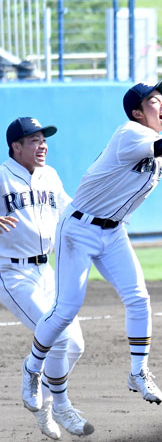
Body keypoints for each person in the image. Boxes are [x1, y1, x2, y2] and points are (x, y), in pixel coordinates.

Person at [21, 80, 162, 416]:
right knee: (66, 309)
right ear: (137, 112)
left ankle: (138, 372)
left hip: (114, 232)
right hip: (79, 229)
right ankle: (32, 367)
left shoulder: (159, 152)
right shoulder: (131, 134)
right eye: (155, 100)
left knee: (139, 298)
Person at [1, 117, 88, 439]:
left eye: (44, 140)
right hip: (13, 273)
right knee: (58, 338)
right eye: (34, 140)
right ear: (16, 147)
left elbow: (70, 210)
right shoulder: (1, 176)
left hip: (47, 272)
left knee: (75, 345)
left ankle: (46, 407)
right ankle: (34, 373)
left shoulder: (49, 175)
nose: (42, 146)